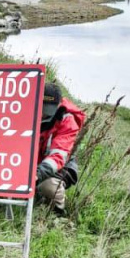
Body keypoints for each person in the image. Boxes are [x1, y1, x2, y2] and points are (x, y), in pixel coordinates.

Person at [35, 82, 86, 215]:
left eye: (47, 110)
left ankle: (58, 210)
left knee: (49, 186)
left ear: (58, 105)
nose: (43, 114)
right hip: (35, 162)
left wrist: (37, 174)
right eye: (42, 108)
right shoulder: (25, 111)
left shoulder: (68, 121)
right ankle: (36, 196)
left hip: (59, 166)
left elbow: (58, 155)